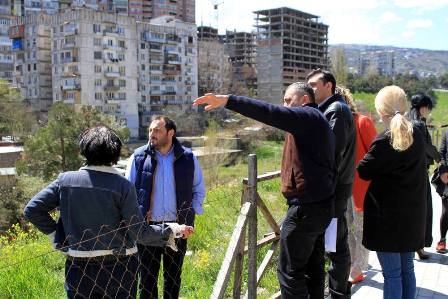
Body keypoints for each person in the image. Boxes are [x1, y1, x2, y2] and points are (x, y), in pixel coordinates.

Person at [193, 82, 336, 299]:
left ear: (305, 100)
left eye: (289, 100)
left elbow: (270, 113)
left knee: (289, 273)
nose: (284, 105)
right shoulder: (316, 122)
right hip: (319, 206)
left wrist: (228, 100)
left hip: (305, 210)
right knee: (312, 269)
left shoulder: (309, 117)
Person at [23, 126, 193, 299]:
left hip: (78, 267)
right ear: (115, 153)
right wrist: (173, 229)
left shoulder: (65, 181)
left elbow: (32, 210)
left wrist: (58, 236)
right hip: (119, 268)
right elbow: (140, 233)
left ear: (84, 150)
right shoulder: (122, 186)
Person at [125, 115, 206, 299]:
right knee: (146, 282)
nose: (152, 134)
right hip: (147, 229)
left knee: (173, 280)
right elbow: (127, 193)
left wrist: (188, 217)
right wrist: (134, 222)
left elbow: (198, 189)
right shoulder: (138, 157)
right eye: (150, 130)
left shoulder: (188, 158)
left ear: (170, 133)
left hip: (178, 228)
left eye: (157, 130)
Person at [358, 86, 427, 299]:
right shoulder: (418, 133)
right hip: (413, 215)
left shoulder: (384, 139)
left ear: (381, 112)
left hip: (387, 218)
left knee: (392, 274)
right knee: (407, 270)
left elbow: (363, 171)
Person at [307, 69, 355, 298]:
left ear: (329, 86)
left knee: (335, 242)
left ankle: (338, 291)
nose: (311, 89)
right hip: (333, 186)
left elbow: (330, 152)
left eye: (314, 85)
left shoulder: (336, 110)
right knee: (331, 240)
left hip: (335, 188)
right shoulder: (329, 109)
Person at [336, 86, 377, 284]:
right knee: (347, 227)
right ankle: (353, 263)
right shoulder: (333, 124)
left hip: (362, 186)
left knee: (360, 228)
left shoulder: (362, 121)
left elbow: (375, 154)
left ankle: (359, 267)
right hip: (342, 186)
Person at [409, 92, 441, 259]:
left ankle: (412, 245)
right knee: (424, 210)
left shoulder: (404, 119)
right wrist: (439, 158)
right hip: (419, 173)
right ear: (423, 107)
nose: (427, 112)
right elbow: (427, 147)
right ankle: (419, 247)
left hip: (406, 171)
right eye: (427, 108)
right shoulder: (418, 124)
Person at [436, 130, 448, 253]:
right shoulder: (447, 133)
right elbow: (442, 153)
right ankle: (442, 240)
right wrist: (443, 171)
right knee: (446, 209)